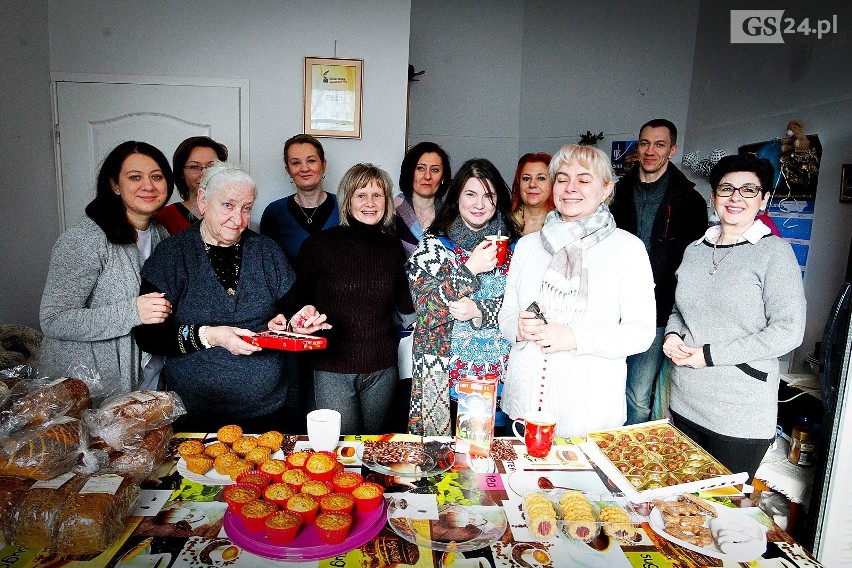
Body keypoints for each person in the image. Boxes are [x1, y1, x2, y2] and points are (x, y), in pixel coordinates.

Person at [134, 162, 330, 433]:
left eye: (246, 208)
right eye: (228, 205)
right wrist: (212, 336)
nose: (238, 219)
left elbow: (292, 307)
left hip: (268, 410)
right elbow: (149, 337)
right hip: (195, 414)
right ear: (203, 201)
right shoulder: (172, 256)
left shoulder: (266, 251)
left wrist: (298, 320)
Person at [663, 154, 806, 481]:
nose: (736, 197)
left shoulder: (775, 253)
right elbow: (680, 309)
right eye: (726, 189)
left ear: (764, 199)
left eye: (748, 190)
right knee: (679, 506)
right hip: (686, 399)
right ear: (713, 196)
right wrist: (673, 335)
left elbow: (788, 331)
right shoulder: (695, 250)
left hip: (739, 413)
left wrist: (709, 355)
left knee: (720, 516)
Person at [499, 144, 656, 437]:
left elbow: (641, 333)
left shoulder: (627, 249)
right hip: (523, 405)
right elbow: (507, 314)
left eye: (584, 180)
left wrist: (573, 337)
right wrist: (518, 329)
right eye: (562, 178)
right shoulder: (529, 245)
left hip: (588, 412)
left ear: (606, 188)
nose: (571, 188)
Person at [40, 141, 174, 394]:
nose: (148, 186)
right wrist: (132, 312)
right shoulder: (86, 239)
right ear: (114, 185)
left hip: (146, 377)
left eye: (157, 176)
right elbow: (54, 320)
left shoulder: (160, 235)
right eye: (135, 177)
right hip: (89, 387)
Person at [290, 164, 414, 434]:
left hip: (382, 367)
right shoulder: (319, 245)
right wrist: (301, 316)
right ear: (347, 200)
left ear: (387, 201)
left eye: (377, 195)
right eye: (361, 195)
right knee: (339, 451)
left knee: (375, 450)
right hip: (331, 367)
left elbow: (407, 305)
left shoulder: (393, 248)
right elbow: (295, 302)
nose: (370, 203)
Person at [407, 159, 519, 436]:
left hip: (503, 379)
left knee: (496, 465)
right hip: (445, 381)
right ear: (457, 198)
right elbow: (425, 311)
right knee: (443, 464)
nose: (479, 204)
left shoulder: (517, 247)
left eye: (488, 195)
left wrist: (479, 310)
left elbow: (531, 308)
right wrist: (469, 269)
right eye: (470, 194)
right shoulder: (433, 246)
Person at [610, 119, 707, 425]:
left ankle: (625, 462)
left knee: (637, 395)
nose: (650, 151)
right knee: (602, 387)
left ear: (673, 149)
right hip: (609, 308)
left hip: (657, 312)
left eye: (659, 144)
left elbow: (696, 264)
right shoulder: (613, 194)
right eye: (644, 143)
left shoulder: (690, 201)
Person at [260, 134, 340, 264]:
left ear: (323, 165)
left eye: (311, 161)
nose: (304, 168)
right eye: (296, 163)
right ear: (288, 170)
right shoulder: (274, 213)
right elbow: (267, 265)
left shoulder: (345, 207)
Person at [154, 136, 228, 234]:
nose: (205, 174)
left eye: (211, 166)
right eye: (195, 167)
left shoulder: (233, 212)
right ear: (181, 173)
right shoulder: (164, 217)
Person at [392, 142, 452, 258]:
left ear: (443, 177)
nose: (427, 176)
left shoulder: (451, 217)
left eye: (435, 170)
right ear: (410, 173)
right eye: (420, 168)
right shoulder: (390, 213)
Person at [510, 152, 554, 235]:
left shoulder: (563, 224)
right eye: (526, 178)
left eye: (541, 178)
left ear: (553, 183)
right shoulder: (504, 223)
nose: (532, 184)